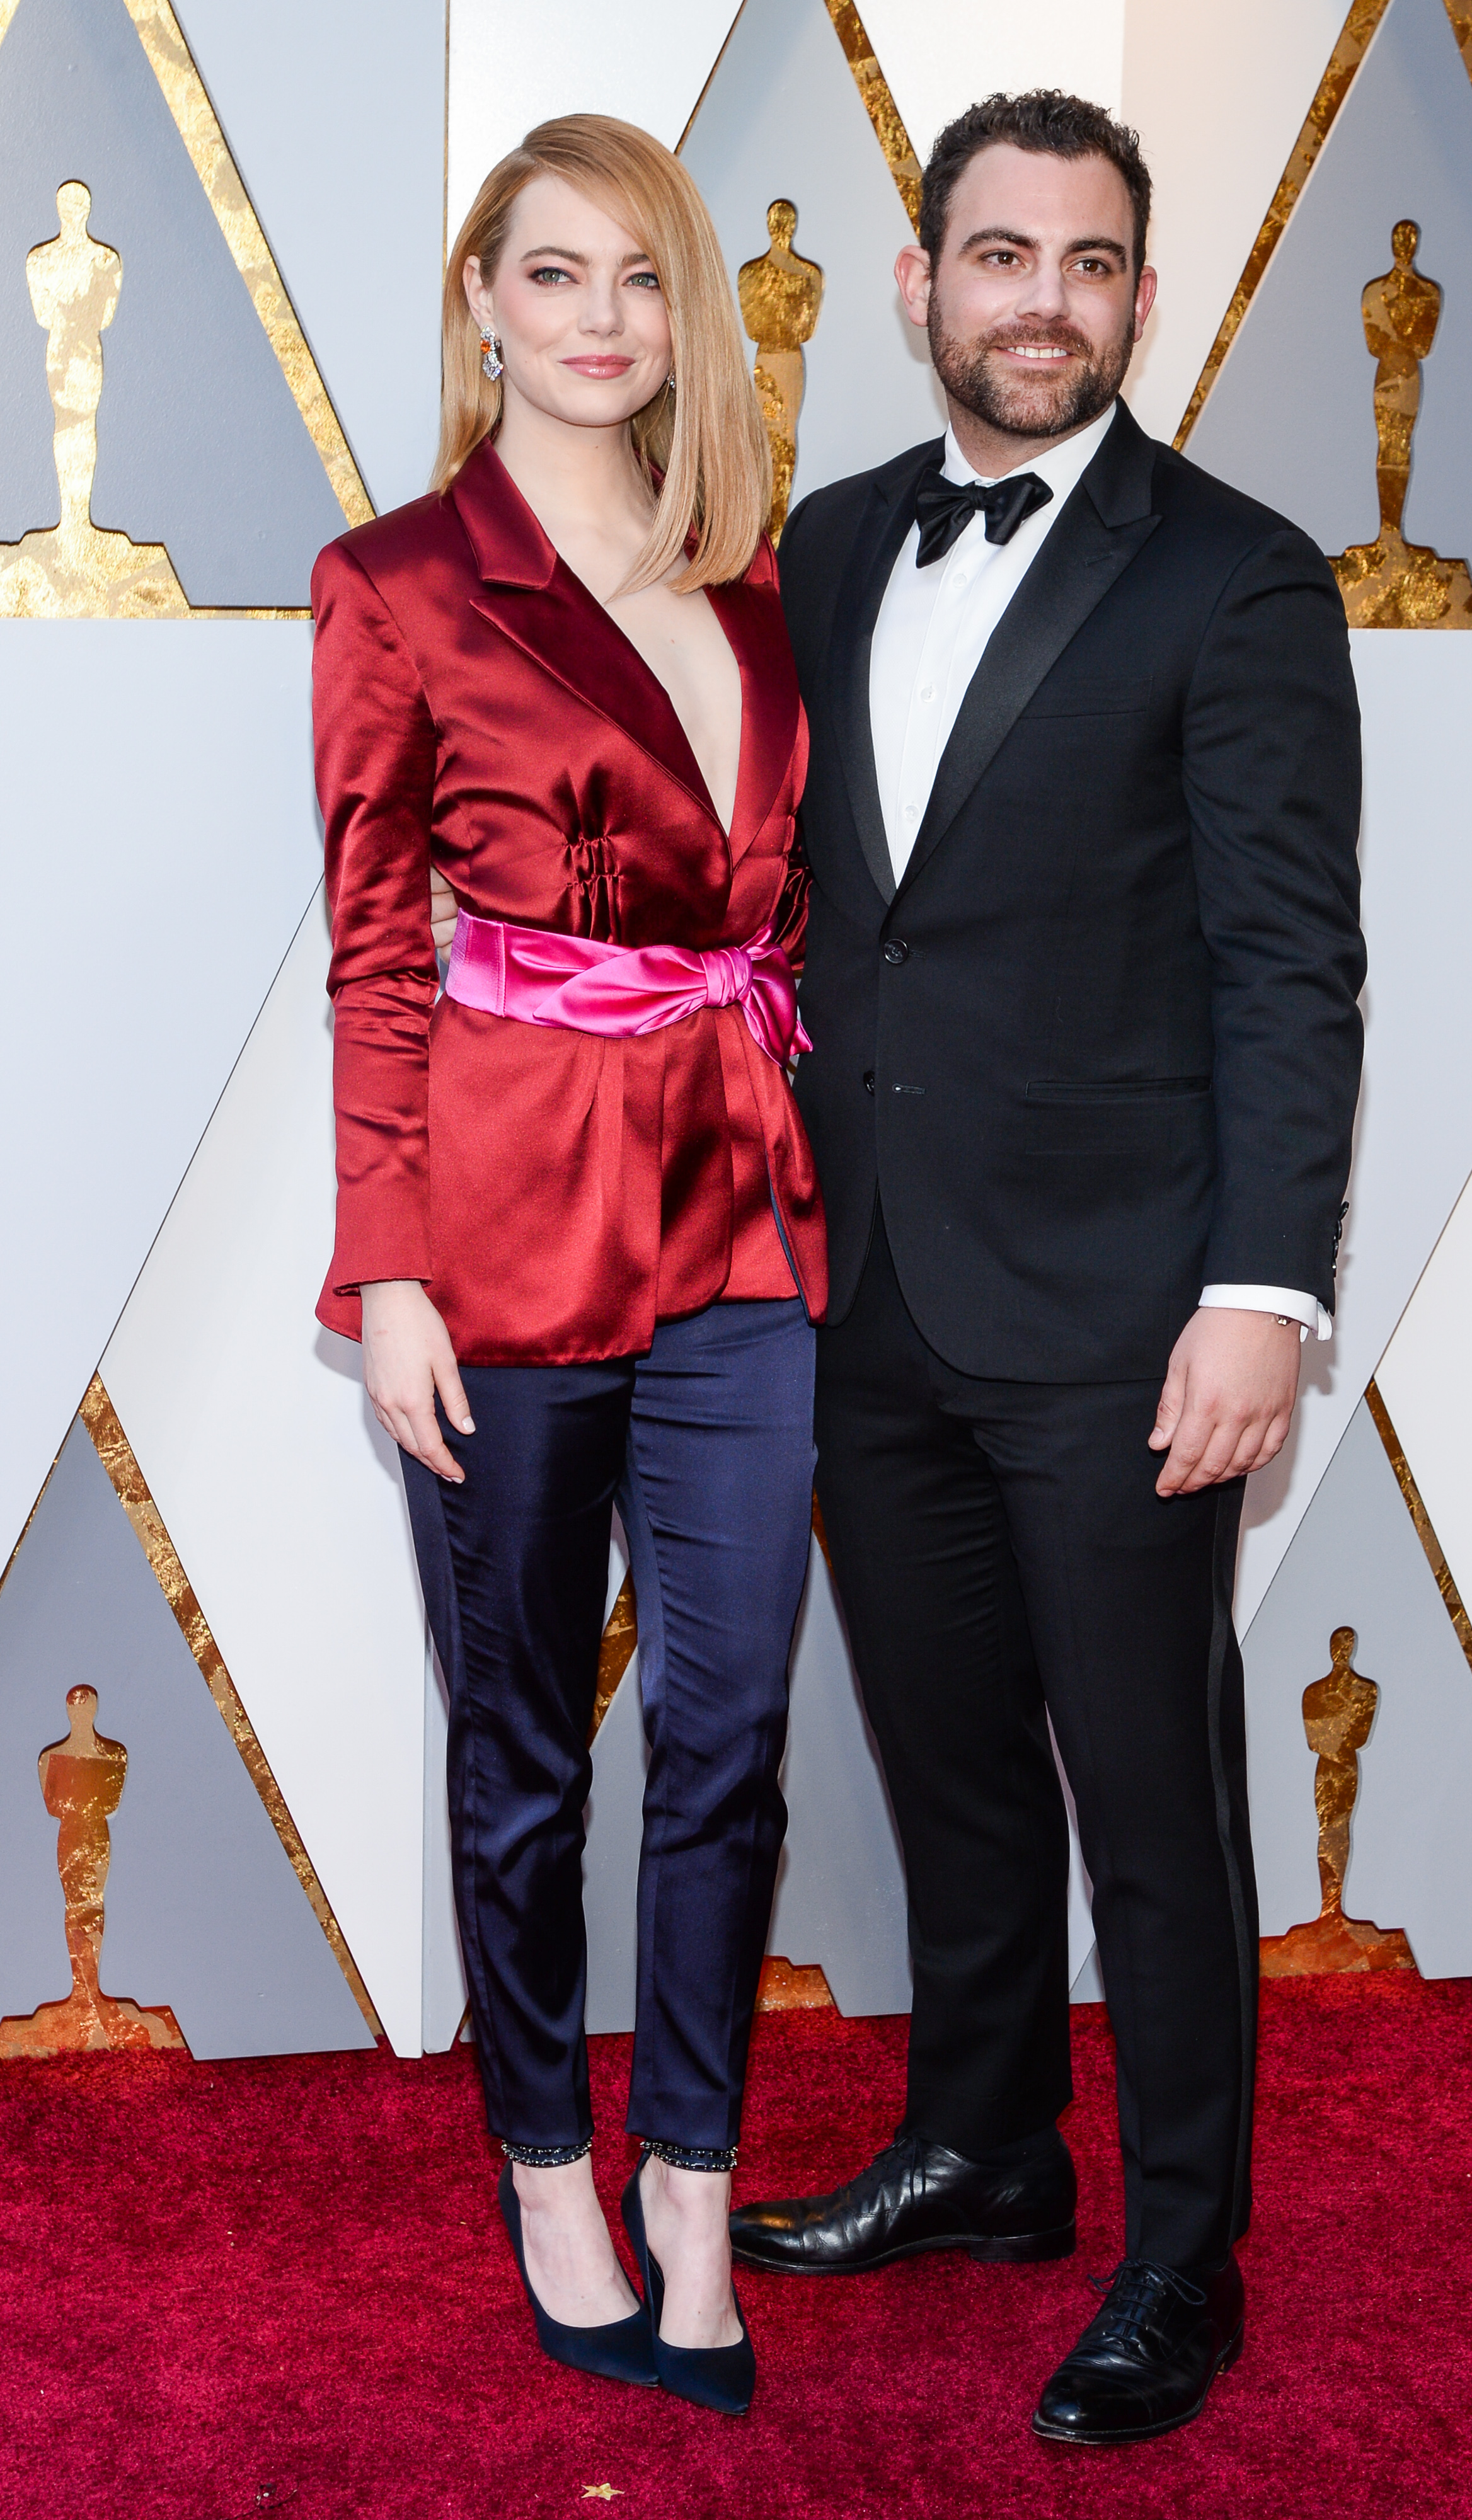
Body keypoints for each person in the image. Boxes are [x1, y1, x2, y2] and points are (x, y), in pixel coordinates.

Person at [727, 92, 1365, 2447]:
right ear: (921, 284)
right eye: (1001, 256)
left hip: (1124, 1315)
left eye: (1090, 264)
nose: (1043, 302)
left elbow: (1292, 966)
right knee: (952, 1765)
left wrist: (1261, 1295)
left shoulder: (1241, 578)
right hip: (867, 1289)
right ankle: (990, 2149)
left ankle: (1183, 2254)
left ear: (1141, 299)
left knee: (1155, 1807)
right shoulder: (822, 545)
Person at [312, 113, 825, 2417]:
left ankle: (691, 2176)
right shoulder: (398, 582)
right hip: (503, 1233)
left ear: (684, 312)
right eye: (553, 274)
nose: (601, 320)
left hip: (747, 1213)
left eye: (638, 278)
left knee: (729, 1735)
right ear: (482, 305)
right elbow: (374, 955)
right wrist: (389, 1269)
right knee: (524, 1744)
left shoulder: (756, 576)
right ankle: (546, 2163)